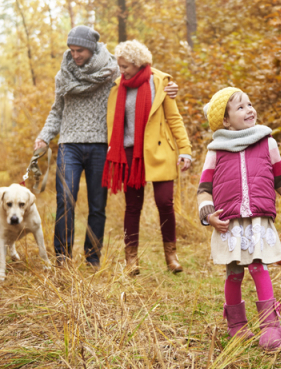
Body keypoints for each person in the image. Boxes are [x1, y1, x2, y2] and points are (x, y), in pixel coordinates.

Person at [35, 26, 177, 267]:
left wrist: (169, 88)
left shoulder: (112, 71)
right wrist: (44, 136)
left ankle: (93, 259)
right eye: (71, 50)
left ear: (91, 49)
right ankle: (62, 258)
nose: (75, 55)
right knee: (65, 200)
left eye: (79, 50)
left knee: (98, 206)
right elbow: (57, 110)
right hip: (69, 145)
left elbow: (145, 78)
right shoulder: (63, 76)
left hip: (102, 146)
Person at [197, 88, 281, 352]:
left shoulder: (267, 143)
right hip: (228, 222)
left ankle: (270, 325)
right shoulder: (216, 150)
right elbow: (204, 189)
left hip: (258, 220)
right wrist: (208, 215)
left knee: (259, 267)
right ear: (225, 120)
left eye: (250, 104)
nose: (250, 110)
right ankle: (236, 326)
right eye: (241, 107)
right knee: (234, 272)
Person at [103, 40, 192, 276]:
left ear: (138, 63)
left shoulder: (160, 82)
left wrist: (185, 149)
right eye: (119, 66)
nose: (121, 71)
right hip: (130, 153)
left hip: (160, 150)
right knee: (133, 206)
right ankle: (131, 260)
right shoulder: (117, 86)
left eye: (125, 67)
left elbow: (174, 118)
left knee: (165, 202)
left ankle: (171, 256)